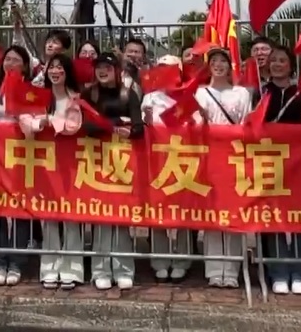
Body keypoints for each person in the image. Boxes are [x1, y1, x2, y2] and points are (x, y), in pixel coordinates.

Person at [82, 52, 143, 290]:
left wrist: (126, 128)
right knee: (100, 217)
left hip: (122, 163)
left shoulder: (128, 94)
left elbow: (138, 128)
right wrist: (115, 124)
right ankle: (100, 270)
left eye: (107, 67)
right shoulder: (90, 94)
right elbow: (85, 125)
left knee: (121, 217)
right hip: (95, 162)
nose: (102, 71)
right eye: (99, 67)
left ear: (117, 70)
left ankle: (124, 269)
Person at [257, 44, 301, 294]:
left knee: (299, 218)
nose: (277, 64)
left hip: (299, 163)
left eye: (282, 60)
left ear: (291, 65)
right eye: (273, 61)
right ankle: (278, 272)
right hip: (267, 161)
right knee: (273, 218)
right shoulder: (259, 92)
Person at [196, 47, 251, 289]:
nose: (218, 65)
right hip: (209, 156)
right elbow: (195, 124)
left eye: (223, 61)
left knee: (234, 212)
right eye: (214, 61)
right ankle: (214, 270)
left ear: (230, 66)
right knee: (213, 214)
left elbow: (247, 122)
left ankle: (232, 270)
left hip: (234, 155)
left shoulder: (241, 93)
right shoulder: (200, 93)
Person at [32, 54, 85, 290]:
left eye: (60, 67)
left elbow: (74, 126)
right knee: (49, 216)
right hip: (45, 163)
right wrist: (37, 123)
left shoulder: (76, 97)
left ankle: (73, 268)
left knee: (72, 216)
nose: (55, 71)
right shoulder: (39, 96)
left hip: (73, 164)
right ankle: (49, 267)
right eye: (51, 67)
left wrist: (50, 120)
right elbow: (26, 120)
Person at [0, 46, 35, 286]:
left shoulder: (31, 89)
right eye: (8, 59)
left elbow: (36, 118)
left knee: (19, 208)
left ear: (24, 66)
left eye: (16, 60)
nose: (10, 63)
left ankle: (16, 261)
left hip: (22, 156)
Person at [140, 55, 192, 283]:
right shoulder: (150, 97)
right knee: (158, 211)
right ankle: (159, 261)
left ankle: (182, 261)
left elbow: (197, 125)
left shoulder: (188, 96)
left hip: (183, 161)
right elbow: (143, 128)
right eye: (162, 68)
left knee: (183, 214)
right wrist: (147, 120)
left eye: (171, 68)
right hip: (157, 162)